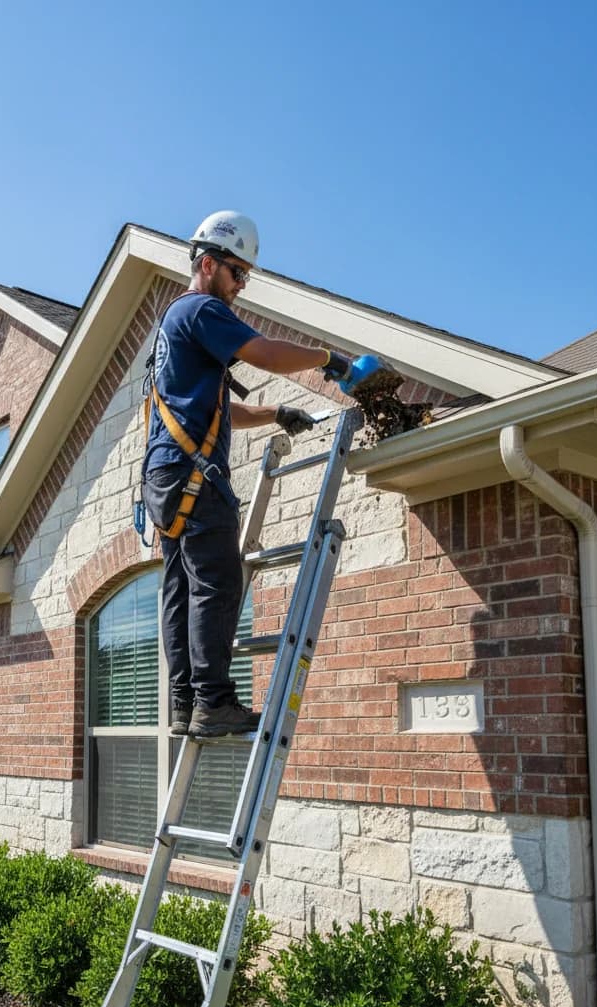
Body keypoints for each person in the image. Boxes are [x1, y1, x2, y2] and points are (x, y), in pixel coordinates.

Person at [141, 210, 384, 738]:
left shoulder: (174, 326)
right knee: (216, 583)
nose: (241, 286)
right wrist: (333, 361)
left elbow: (219, 411)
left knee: (181, 589)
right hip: (194, 478)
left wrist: (276, 414)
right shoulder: (202, 309)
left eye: (246, 277)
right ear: (208, 264)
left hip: (167, 478)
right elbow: (266, 352)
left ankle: (186, 704)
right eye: (237, 273)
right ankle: (214, 702)